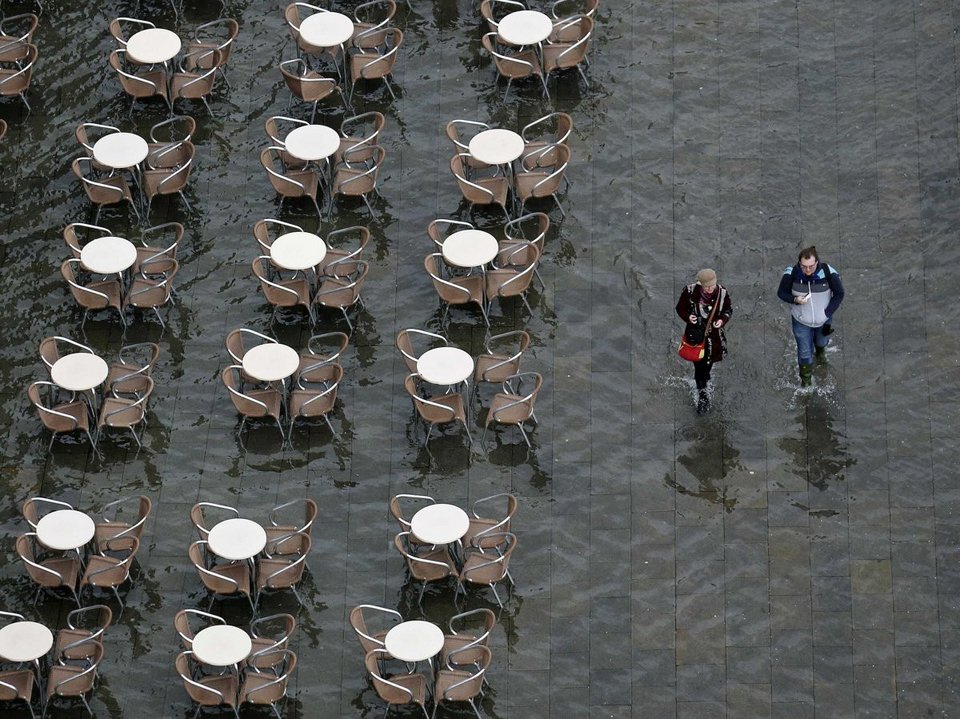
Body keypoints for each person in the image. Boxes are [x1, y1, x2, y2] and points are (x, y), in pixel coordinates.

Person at [777, 246, 844, 387]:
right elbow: (781, 293)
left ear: (817, 262)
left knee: (821, 343)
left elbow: (839, 294)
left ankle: (820, 355)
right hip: (801, 322)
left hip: (823, 320)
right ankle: (806, 383)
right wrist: (795, 300)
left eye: (811, 267)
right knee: (805, 353)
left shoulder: (827, 272)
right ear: (799, 264)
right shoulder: (792, 274)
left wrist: (827, 313)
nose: (807, 270)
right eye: (804, 266)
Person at [676, 269, 732, 413]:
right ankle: (702, 394)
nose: (709, 290)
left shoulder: (722, 293)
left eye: (712, 286)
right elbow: (680, 308)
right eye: (706, 287)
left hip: (714, 337)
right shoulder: (689, 291)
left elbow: (728, 310)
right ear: (700, 284)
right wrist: (689, 317)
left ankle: (704, 379)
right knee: (699, 363)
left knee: (709, 360)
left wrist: (722, 320)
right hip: (696, 334)